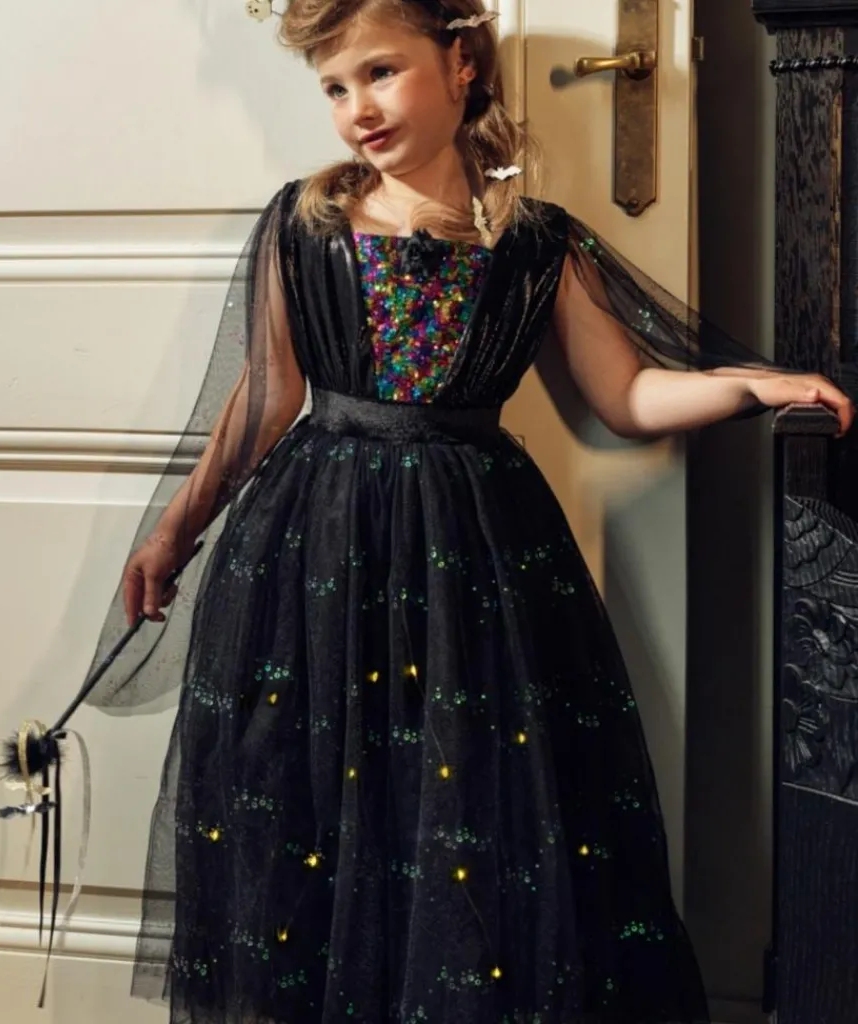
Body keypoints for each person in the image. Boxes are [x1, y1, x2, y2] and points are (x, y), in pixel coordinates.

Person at [97, 1, 854, 1021]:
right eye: (334, 87)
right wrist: (173, 532)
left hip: (476, 562)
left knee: (464, 800)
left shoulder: (533, 242)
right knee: (311, 797)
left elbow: (627, 396)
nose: (358, 108)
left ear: (461, 63)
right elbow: (264, 401)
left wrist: (752, 386)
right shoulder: (307, 223)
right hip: (318, 555)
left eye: (381, 72)